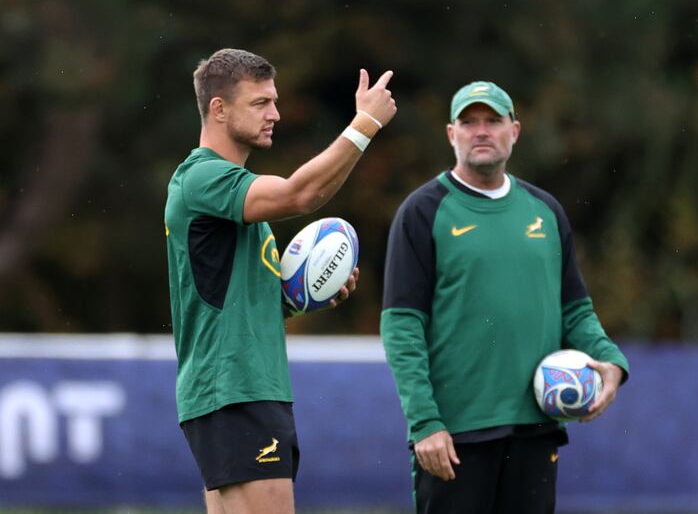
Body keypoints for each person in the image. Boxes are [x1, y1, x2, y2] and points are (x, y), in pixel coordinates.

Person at [164, 48, 396, 514]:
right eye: (260, 103)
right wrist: (364, 125)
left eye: (274, 100)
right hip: (236, 389)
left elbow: (229, 296)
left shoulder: (228, 195)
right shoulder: (203, 178)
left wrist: (297, 298)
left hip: (237, 390)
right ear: (219, 109)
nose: (276, 113)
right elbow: (300, 193)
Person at [380, 81, 629, 513]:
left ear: (514, 131)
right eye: (468, 121)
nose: (481, 131)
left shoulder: (545, 211)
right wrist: (425, 423)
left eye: (492, 121)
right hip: (455, 437)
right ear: (450, 134)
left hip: (536, 429)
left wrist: (612, 363)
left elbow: (575, 310)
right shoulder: (422, 211)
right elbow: (401, 326)